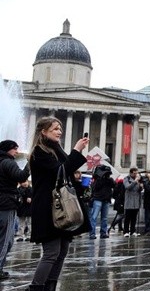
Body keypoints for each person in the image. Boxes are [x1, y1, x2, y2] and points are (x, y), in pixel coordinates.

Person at [28, 117, 91, 290]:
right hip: (48, 206)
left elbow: (67, 174)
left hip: (61, 205)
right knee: (51, 252)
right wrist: (77, 150)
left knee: (62, 251)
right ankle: (36, 287)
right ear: (43, 131)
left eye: (60, 128)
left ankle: (50, 286)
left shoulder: (57, 150)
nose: (59, 131)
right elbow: (60, 171)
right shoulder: (40, 152)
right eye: (55, 128)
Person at [0, 140, 30, 281]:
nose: (17, 152)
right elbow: (21, 176)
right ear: (8, 150)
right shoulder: (8, 162)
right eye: (15, 149)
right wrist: (29, 164)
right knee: (6, 239)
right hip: (6, 203)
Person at [88, 165, 116, 239]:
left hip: (106, 200)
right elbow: (94, 188)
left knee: (104, 218)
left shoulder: (110, 179)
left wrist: (108, 179)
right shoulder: (97, 179)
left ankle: (103, 233)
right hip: (97, 199)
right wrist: (100, 178)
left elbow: (114, 185)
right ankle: (92, 233)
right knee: (94, 217)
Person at [122, 168, 142, 237]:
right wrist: (135, 181)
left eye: (136, 173)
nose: (136, 174)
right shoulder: (126, 179)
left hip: (136, 200)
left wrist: (141, 186)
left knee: (134, 217)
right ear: (131, 173)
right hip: (129, 200)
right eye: (134, 173)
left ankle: (133, 230)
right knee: (127, 217)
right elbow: (128, 187)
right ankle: (126, 231)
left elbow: (139, 190)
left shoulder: (138, 180)